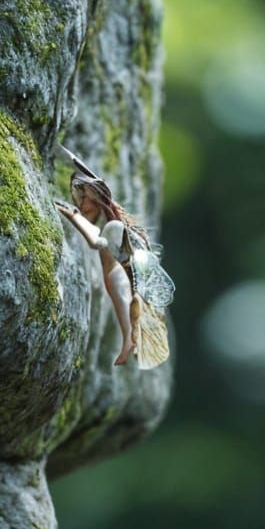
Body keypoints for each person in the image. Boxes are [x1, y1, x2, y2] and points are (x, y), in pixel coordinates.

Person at [54, 148, 174, 367]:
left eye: (85, 198)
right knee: (120, 292)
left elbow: (96, 241)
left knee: (118, 287)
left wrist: (73, 216)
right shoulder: (115, 226)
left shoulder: (113, 227)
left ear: (97, 200)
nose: (81, 204)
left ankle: (130, 337)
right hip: (125, 276)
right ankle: (130, 336)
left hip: (123, 273)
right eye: (79, 198)